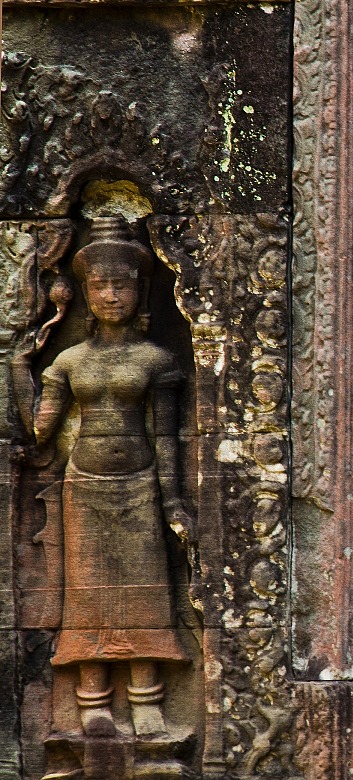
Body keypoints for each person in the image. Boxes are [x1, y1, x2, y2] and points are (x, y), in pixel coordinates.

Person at [32, 217, 193, 737]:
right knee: (88, 595)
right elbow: (39, 431)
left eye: (121, 285)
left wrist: (172, 501)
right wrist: (19, 358)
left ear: (139, 290)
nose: (110, 295)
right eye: (99, 286)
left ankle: (147, 701)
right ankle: (93, 702)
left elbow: (166, 439)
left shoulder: (155, 359)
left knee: (146, 592)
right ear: (84, 293)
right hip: (84, 486)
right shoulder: (68, 360)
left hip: (140, 484)